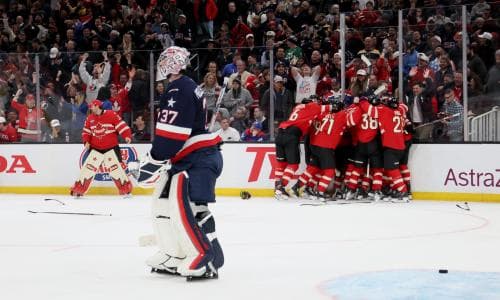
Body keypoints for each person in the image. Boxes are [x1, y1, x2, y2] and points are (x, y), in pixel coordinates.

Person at [133, 46, 224, 280]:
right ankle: (174, 253)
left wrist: (152, 160)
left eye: (164, 59)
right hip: (191, 157)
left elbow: (171, 136)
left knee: (188, 209)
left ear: (172, 63)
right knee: (163, 204)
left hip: (197, 158)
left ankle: (205, 256)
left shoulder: (178, 90)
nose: (160, 64)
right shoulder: (186, 86)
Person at [70, 99, 132, 197]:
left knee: (116, 169)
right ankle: (78, 190)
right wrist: (86, 141)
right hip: (95, 148)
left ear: (97, 106)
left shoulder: (111, 114)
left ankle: (126, 190)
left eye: (92, 106)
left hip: (111, 147)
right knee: (87, 169)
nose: (91, 108)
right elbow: (86, 132)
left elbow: (121, 125)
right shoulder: (90, 118)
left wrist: (127, 136)